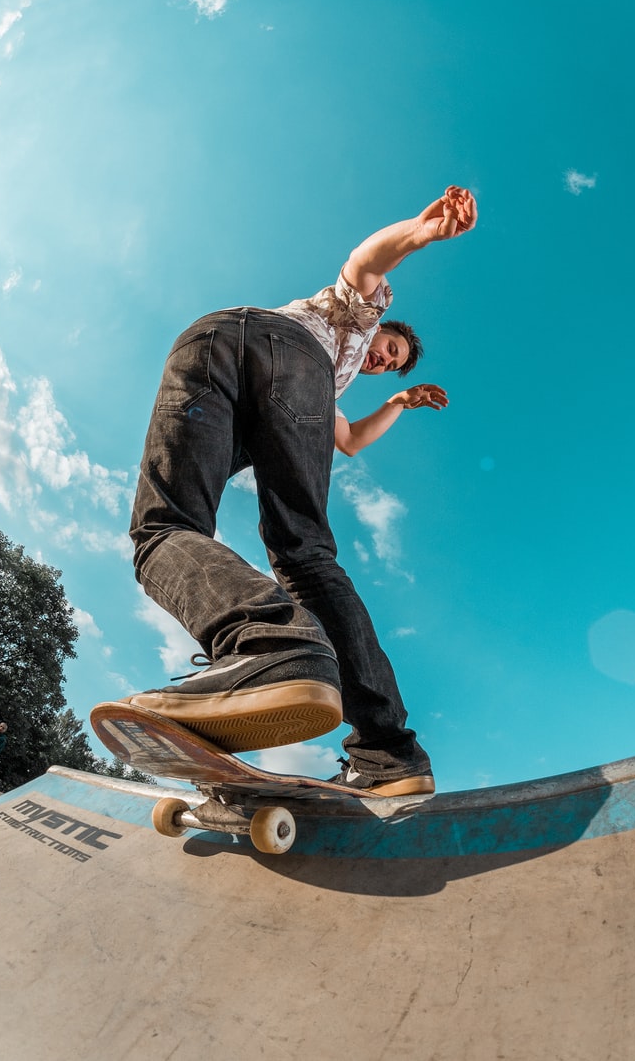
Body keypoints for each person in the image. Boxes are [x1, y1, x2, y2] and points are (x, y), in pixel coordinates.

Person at [123, 186, 477, 795]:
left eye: (390, 365)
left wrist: (397, 402)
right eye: (388, 351)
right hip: (277, 348)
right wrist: (418, 236)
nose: (382, 362)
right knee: (305, 554)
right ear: (381, 326)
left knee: (165, 527)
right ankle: (385, 746)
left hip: (215, 346)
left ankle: (271, 648)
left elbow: (349, 439)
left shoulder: (330, 387)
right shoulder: (353, 315)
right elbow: (367, 261)